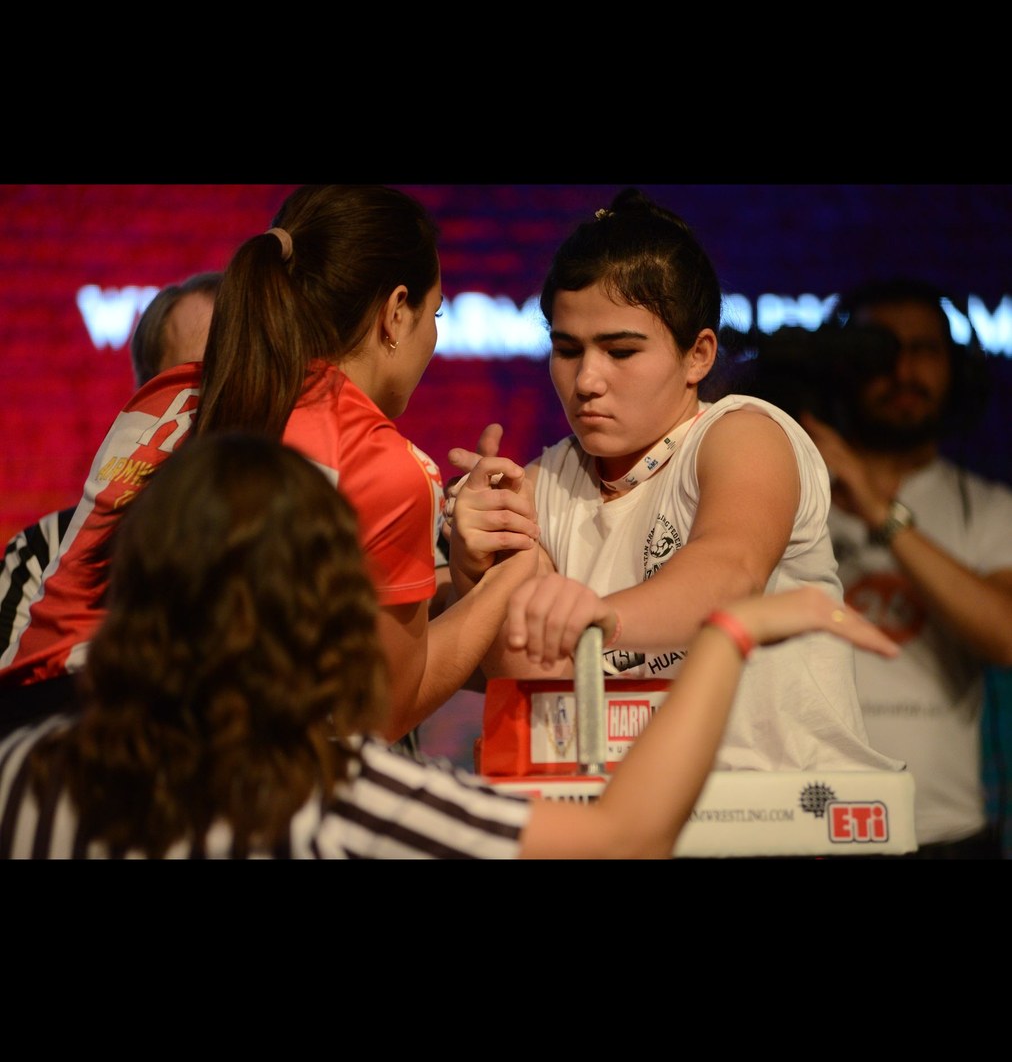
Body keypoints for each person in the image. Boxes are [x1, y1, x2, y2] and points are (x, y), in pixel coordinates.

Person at [0, 430, 900, 859]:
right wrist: (731, 634)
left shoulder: (23, 770)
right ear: (320, 611)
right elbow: (627, 837)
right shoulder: (332, 797)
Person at [0, 186, 534, 747]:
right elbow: (379, 716)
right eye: (437, 312)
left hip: (21, 747)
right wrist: (511, 574)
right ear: (396, 313)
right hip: (149, 767)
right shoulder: (386, 461)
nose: (434, 334)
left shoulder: (162, 398)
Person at [447, 187, 903, 775]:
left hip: (783, 811)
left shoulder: (742, 434)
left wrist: (593, 617)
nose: (587, 379)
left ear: (699, 355)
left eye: (620, 351)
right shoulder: (541, 483)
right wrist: (472, 565)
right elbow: (533, 683)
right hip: (629, 819)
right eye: (567, 349)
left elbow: (730, 570)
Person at [795, 278, 1012, 857]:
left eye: (924, 351)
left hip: (945, 831)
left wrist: (878, 511)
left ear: (954, 368)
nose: (903, 369)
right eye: (881, 349)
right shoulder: (790, 502)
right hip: (804, 819)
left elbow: (1007, 636)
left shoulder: (987, 507)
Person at [0, 272, 222, 723]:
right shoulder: (44, 551)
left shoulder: (307, 550)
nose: (221, 406)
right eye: (195, 383)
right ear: (147, 403)